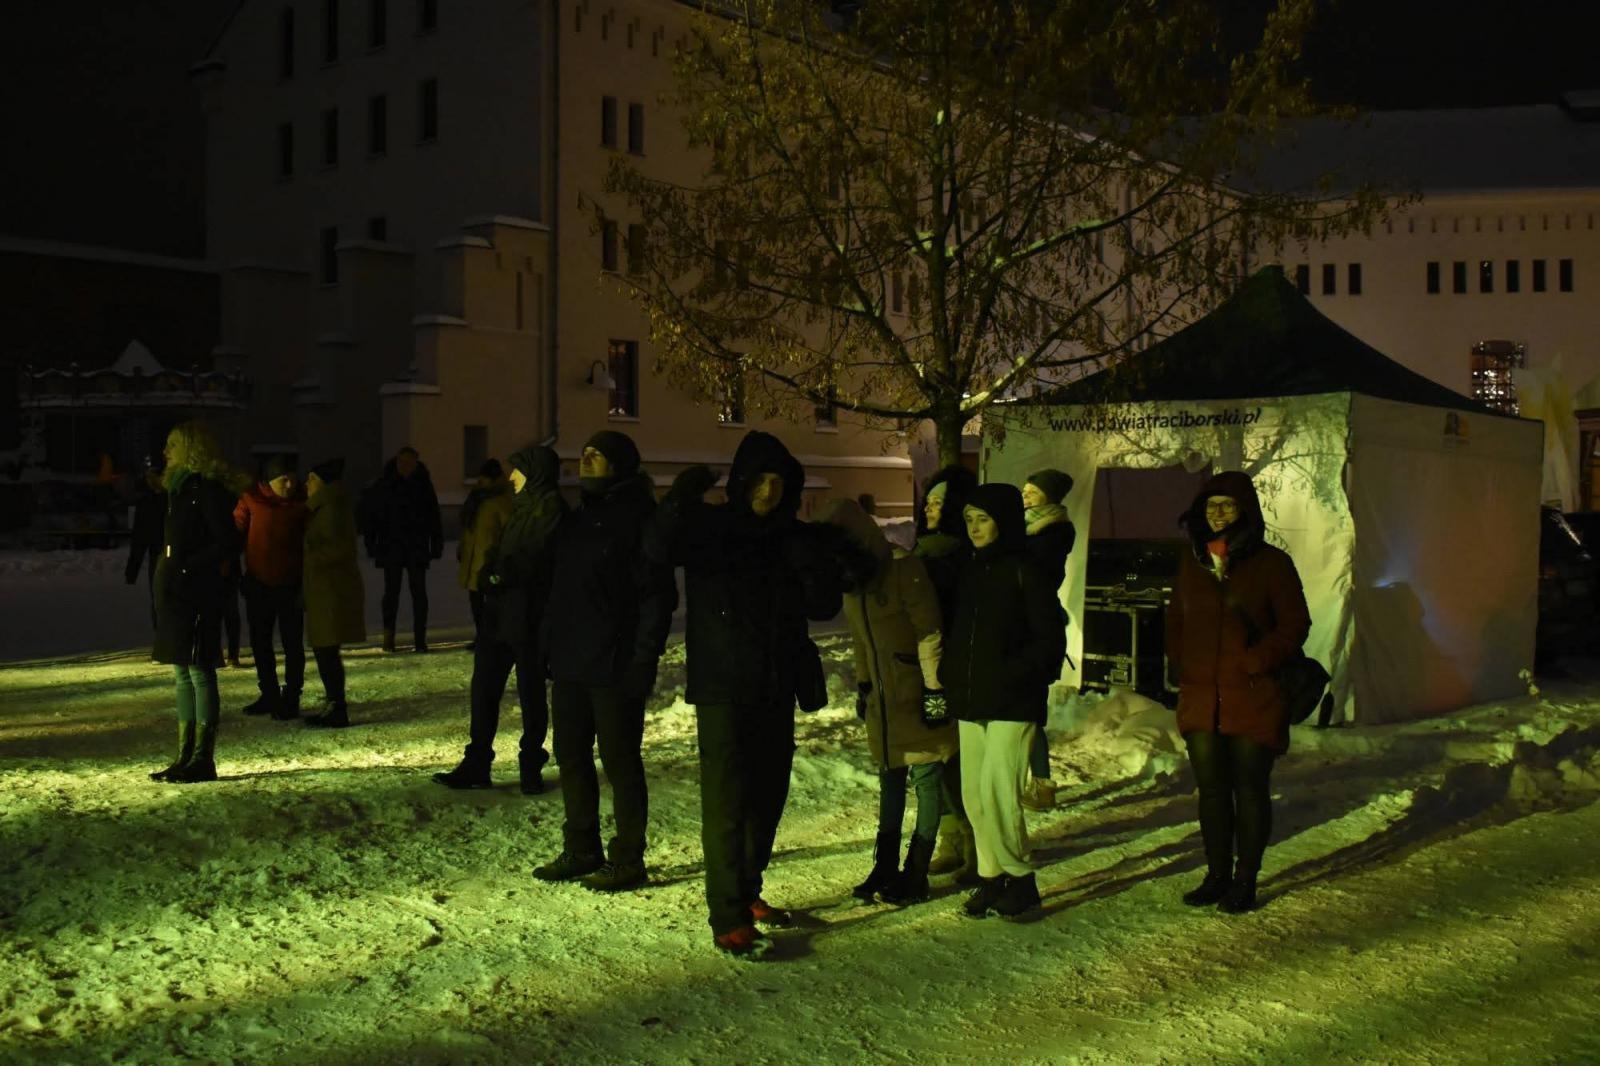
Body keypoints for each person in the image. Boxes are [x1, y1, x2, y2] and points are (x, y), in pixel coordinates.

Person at [645, 431, 843, 959]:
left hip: (777, 682)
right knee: (729, 802)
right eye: (760, 481)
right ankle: (728, 914)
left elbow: (823, 605)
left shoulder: (792, 537)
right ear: (740, 483)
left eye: (779, 482)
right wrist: (680, 497)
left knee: (768, 794)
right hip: (725, 684)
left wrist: (821, 563)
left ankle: (749, 892)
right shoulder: (712, 529)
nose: (769, 492)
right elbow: (656, 549)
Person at [534, 431, 677, 891]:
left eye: (598, 455)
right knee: (571, 756)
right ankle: (581, 847)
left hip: (614, 666)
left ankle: (628, 857)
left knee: (619, 762)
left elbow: (656, 597)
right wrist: (547, 647)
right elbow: (560, 591)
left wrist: (642, 660)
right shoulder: (578, 518)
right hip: (573, 661)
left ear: (621, 465)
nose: (586, 459)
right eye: (585, 452)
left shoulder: (638, 519)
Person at [1164, 471, 1310, 914]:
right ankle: (1216, 875)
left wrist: (1256, 661)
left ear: (1245, 509)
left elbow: (1294, 625)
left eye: (1227, 506)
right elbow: (1176, 618)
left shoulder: (1271, 563)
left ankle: (1245, 879)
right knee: (1211, 790)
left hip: (1254, 695)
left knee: (1248, 788)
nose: (1218, 514)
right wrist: (1181, 661)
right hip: (1202, 696)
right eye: (1211, 507)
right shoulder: (1193, 560)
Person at [817, 498, 953, 906]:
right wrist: (862, 685)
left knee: (926, 779)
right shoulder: (854, 582)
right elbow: (860, 639)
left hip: (912, 690)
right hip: (882, 697)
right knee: (889, 777)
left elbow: (929, 630)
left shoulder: (904, 569)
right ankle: (885, 863)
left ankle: (917, 869)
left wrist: (933, 690)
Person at [941, 483, 1065, 919]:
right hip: (972, 702)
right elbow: (959, 635)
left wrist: (1015, 674)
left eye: (984, 519)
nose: (974, 528)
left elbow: (1050, 640)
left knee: (998, 792)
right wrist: (949, 674)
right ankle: (992, 878)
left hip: (1012, 702)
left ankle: (1022, 879)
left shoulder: (1025, 569)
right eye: (970, 519)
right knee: (974, 795)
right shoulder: (969, 569)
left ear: (1004, 522)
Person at [433, 445, 564, 793]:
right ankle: (478, 761)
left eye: (518, 470)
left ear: (534, 473)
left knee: (530, 693)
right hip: (501, 615)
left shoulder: (549, 509)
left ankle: (530, 764)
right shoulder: (522, 507)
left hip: (528, 618)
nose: (511, 477)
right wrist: (492, 570)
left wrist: (500, 573)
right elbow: (500, 551)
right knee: (485, 688)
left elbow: (533, 560)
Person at [148, 421, 240, 785]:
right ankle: (185, 753)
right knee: (182, 671)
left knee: (199, 669)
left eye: (171, 445)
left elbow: (227, 541)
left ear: (189, 449)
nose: (165, 452)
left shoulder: (206, 490)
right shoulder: (179, 490)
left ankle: (203, 757)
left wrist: (187, 568)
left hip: (196, 593)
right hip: (175, 592)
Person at [912, 464, 979, 883]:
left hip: (951, 670)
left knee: (956, 760)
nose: (930, 507)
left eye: (939, 502)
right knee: (942, 758)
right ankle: (955, 841)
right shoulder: (926, 551)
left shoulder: (952, 557)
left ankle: (971, 847)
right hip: (931, 669)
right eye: (928, 501)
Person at [235, 454, 310, 720]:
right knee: (261, 643)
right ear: (269, 481)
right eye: (283, 480)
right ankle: (269, 693)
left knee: (292, 644)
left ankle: (291, 696)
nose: (289, 485)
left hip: (291, 585)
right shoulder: (252, 500)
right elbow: (235, 531)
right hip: (259, 584)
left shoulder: (303, 503)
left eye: (292, 479)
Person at [1019, 468, 1076, 811]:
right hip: (1026, 624)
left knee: (1029, 712)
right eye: (1024, 490)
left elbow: (1035, 574)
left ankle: (1042, 783)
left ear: (1049, 496)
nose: (1025, 495)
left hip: (1035, 629)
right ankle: (1038, 781)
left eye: (1033, 491)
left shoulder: (1054, 530)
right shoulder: (1027, 527)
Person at [301, 458, 366, 728]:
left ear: (321, 482)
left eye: (311, 479)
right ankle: (334, 704)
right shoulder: (328, 506)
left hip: (330, 588)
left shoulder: (330, 509)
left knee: (327, 648)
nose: (306, 484)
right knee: (325, 648)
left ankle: (337, 706)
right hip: (327, 587)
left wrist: (311, 555)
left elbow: (340, 549)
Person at [362, 446, 444, 653]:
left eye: (409, 463)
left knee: (417, 593)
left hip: (413, 547)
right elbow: (373, 517)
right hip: (393, 547)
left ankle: (419, 640)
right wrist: (372, 543)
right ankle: (390, 638)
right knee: (392, 594)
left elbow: (434, 516)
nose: (405, 467)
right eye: (402, 463)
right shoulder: (386, 485)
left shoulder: (422, 485)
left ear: (415, 464)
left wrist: (436, 543)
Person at [457, 458, 514, 648]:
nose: (479, 483)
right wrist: (462, 547)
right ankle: (482, 636)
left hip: (489, 561)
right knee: (476, 602)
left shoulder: (501, 502)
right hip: (474, 559)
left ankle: (490, 637)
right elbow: (468, 528)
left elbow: (507, 531)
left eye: (484, 479)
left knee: (490, 603)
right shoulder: (476, 500)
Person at [124, 457, 166, 632]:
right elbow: (139, 537)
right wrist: (132, 569)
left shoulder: (157, 501)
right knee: (159, 599)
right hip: (159, 554)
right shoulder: (152, 502)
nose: (150, 480)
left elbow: (139, 537)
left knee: (161, 598)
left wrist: (132, 569)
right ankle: (163, 638)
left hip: (165, 554)